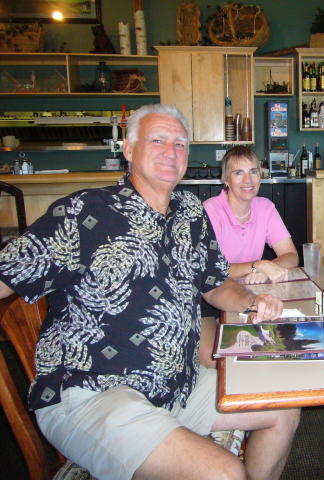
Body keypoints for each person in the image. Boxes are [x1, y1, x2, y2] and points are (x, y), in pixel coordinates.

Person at [0, 104, 299, 480]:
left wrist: (254, 301)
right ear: (128, 149)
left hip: (179, 382)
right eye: (158, 140)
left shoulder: (190, 213)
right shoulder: (82, 212)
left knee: (285, 406)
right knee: (223, 473)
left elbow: (216, 283)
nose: (171, 151)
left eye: (180, 143)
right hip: (93, 390)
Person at [203, 146, 298, 285]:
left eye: (253, 172)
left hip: (252, 291)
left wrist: (267, 270)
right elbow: (210, 269)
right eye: (238, 173)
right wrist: (258, 266)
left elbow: (291, 256)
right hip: (216, 296)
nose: (248, 180)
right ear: (226, 180)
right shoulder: (210, 210)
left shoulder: (265, 208)